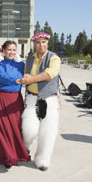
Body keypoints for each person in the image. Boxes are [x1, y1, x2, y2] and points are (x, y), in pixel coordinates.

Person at [19, 32, 61, 171]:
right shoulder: (29, 58)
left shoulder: (54, 58)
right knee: (29, 130)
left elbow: (50, 74)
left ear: (47, 43)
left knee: (48, 132)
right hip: (31, 98)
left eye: (43, 42)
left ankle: (42, 160)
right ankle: (25, 148)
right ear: (34, 44)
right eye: (38, 42)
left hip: (49, 99)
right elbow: (25, 73)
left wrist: (30, 79)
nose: (41, 45)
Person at [0, 40, 30, 169]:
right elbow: (2, 78)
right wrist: (17, 80)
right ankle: (7, 156)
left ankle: (16, 151)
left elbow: (30, 73)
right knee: (4, 128)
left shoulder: (21, 65)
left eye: (14, 50)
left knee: (16, 127)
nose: (11, 52)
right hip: (1, 100)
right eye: (9, 50)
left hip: (16, 100)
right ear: (4, 51)